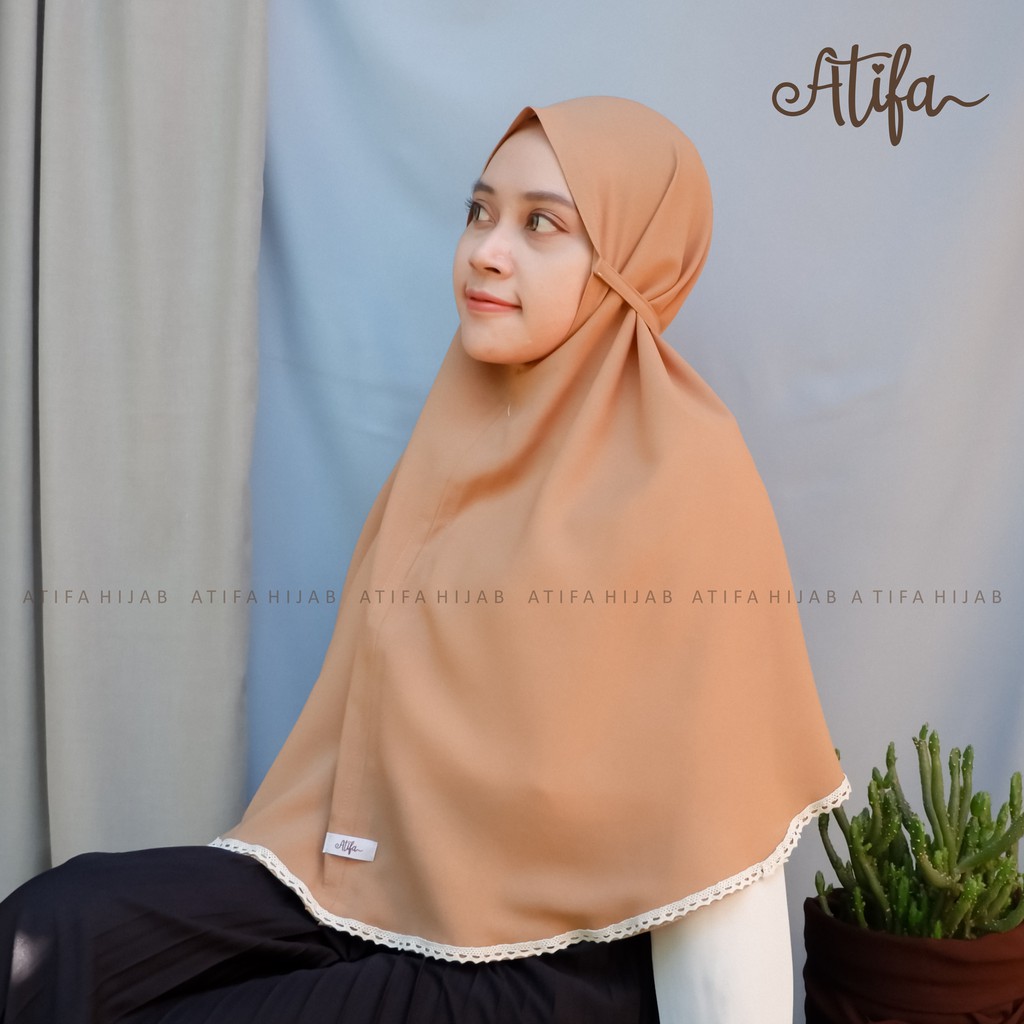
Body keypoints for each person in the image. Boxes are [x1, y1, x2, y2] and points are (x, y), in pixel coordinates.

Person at [0, 96, 848, 1023]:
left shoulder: (685, 479)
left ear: (629, 260)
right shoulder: (461, 438)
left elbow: (720, 830)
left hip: (550, 963)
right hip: (374, 887)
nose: (487, 250)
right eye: (480, 212)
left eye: (542, 226)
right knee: (50, 928)